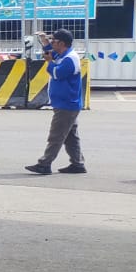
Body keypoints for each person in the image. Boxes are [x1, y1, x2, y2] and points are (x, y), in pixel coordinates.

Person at [26, 28, 85, 175]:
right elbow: (51, 53)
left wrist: (49, 62)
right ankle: (77, 163)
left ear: (62, 43)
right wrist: (44, 42)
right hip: (66, 103)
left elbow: (56, 73)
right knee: (70, 137)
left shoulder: (70, 59)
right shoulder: (63, 54)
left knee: (56, 136)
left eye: (54, 41)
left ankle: (44, 164)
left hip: (66, 104)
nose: (52, 43)